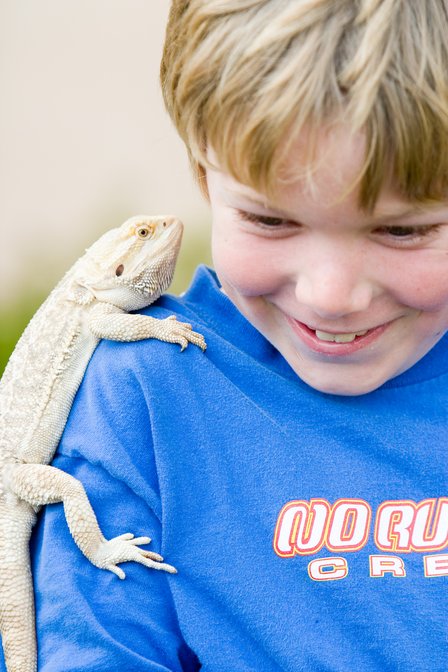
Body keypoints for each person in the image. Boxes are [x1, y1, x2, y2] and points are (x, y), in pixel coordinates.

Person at [4, 1, 448, 669]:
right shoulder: (141, 391)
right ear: (203, 174)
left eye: (402, 229)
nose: (329, 295)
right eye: (272, 220)